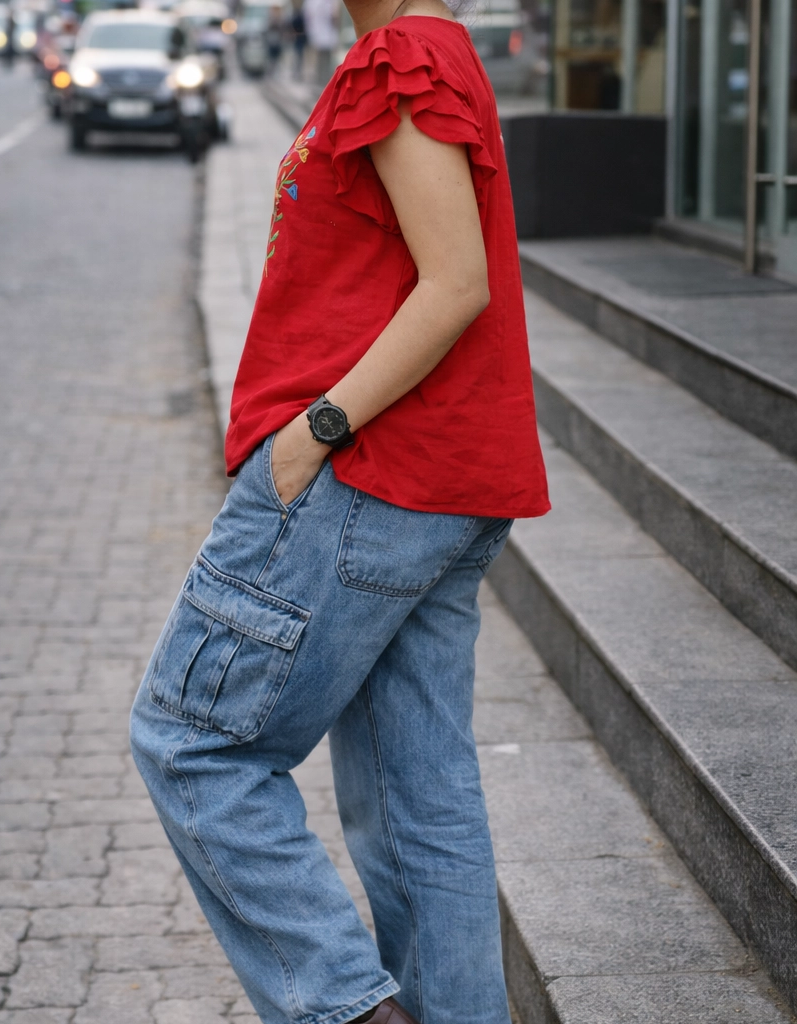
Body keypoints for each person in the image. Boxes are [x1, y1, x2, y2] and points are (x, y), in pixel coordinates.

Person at [130, 0, 550, 1016]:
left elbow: (457, 284)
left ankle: (348, 1008)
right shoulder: (424, 49)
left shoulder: (399, 56)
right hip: (433, 484)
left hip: (364, 476)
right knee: (420, 800)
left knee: (192, 743)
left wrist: (313, 429)